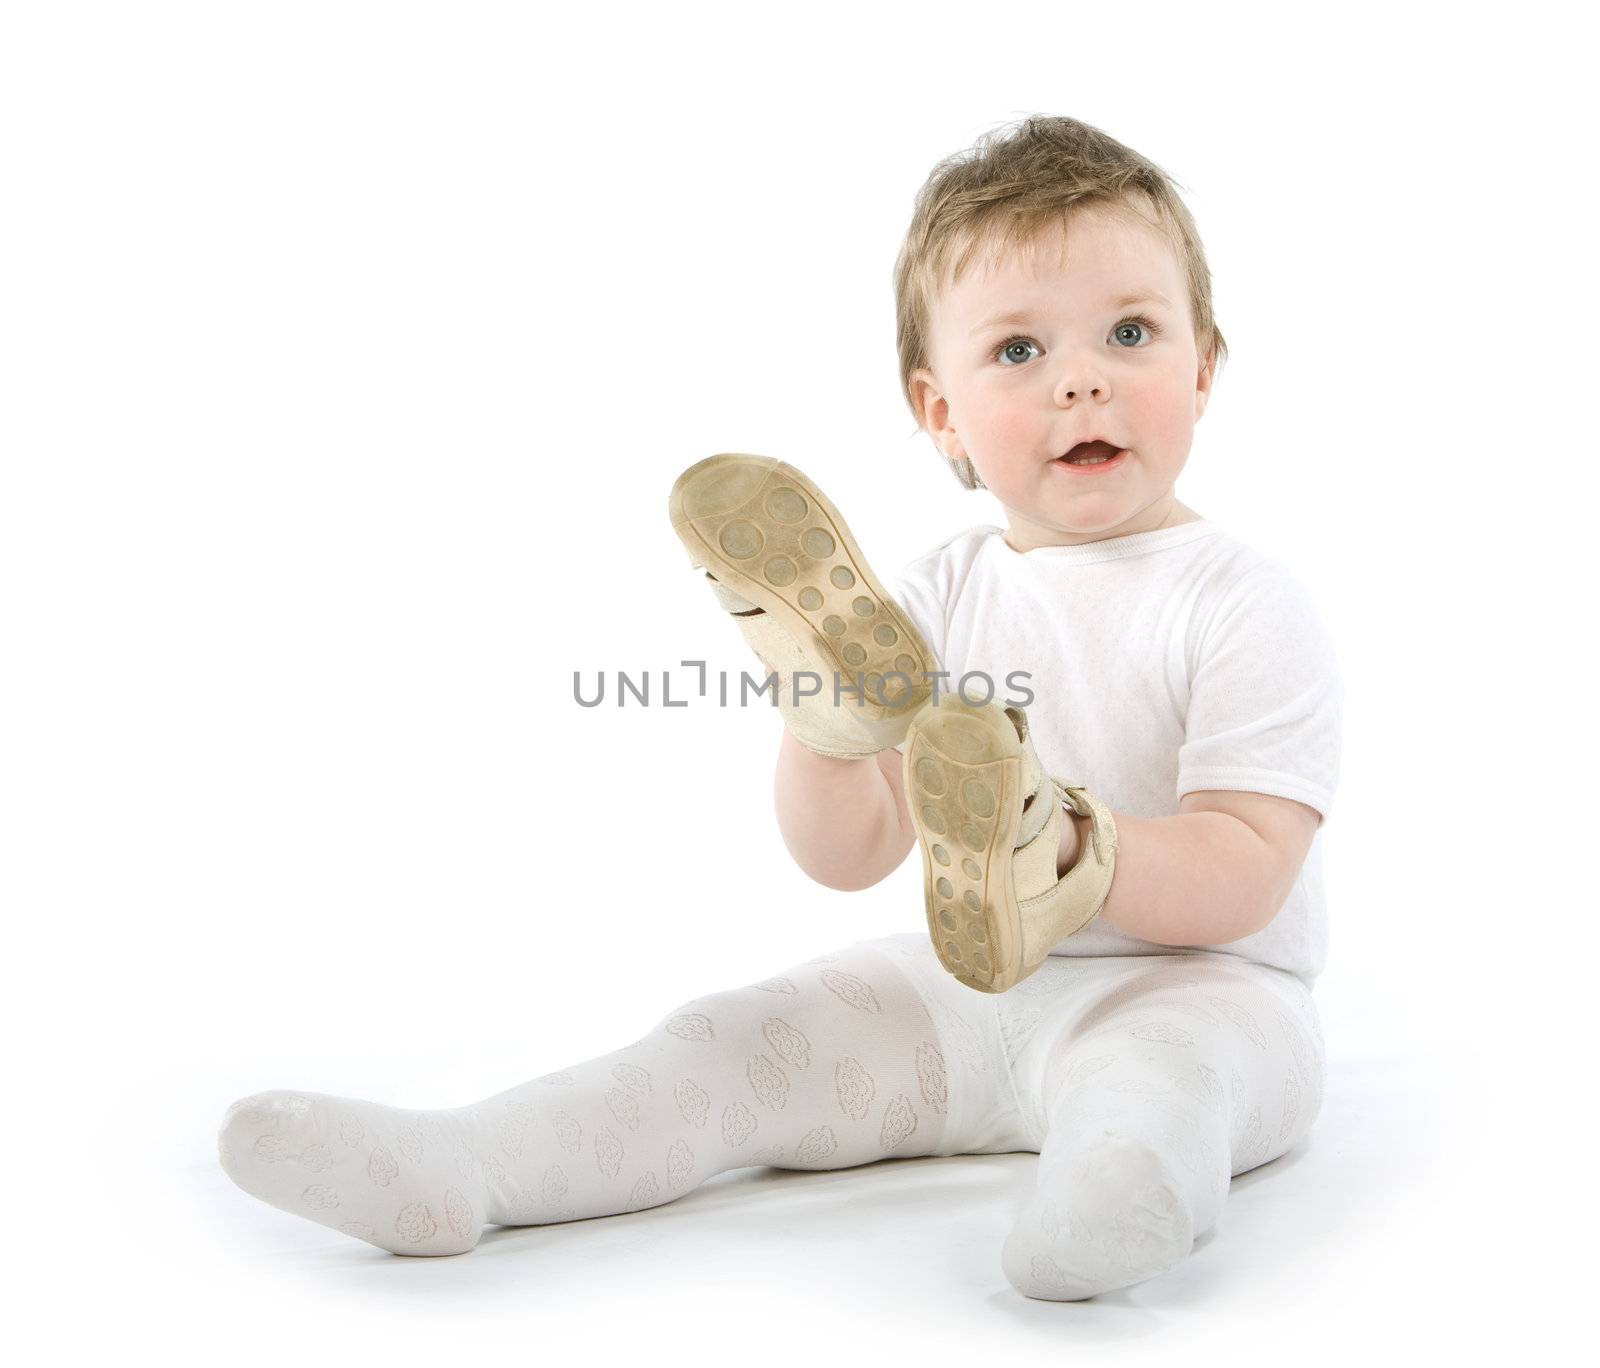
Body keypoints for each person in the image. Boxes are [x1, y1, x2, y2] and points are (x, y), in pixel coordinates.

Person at [217, 114, 1341, 1302]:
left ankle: (1110, 1211)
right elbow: (844, 853)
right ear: (939, 412)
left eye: (1129, 331)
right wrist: (826, 731)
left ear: (1204, 365)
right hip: (974, 994)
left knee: (1158, 1090)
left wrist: (1063, 851)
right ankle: (467, 1164)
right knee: (737, 1043)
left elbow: (1247, 872)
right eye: (1017, 351)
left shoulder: (1243, 602)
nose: (1080, 376)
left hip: (1214, 993)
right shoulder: (931, 602)